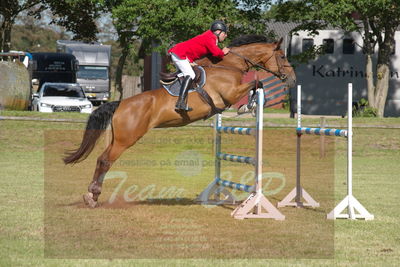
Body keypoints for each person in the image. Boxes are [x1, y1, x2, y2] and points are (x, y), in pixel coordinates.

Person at [168, 20, 230, 111]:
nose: (226, 35)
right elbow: (217, 53)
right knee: (191, 75)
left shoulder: (210, 36)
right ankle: (180, 102)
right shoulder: (210, 37)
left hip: (183, 55)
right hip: (180, 54)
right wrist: (223, 52)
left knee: (188, 74)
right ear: (218, 32)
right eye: (224, 33)